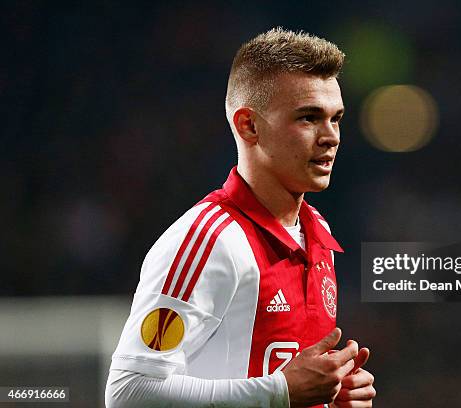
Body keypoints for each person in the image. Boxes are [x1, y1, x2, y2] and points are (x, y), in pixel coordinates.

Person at [105, 27, 375, 408]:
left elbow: (283, 382)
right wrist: (280, 393)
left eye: (337, 118)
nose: (331, 136)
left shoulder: (317, 232)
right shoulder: (210, 239)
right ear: (248, 125)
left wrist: (330, 397)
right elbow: (128, 393)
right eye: (309, 118)